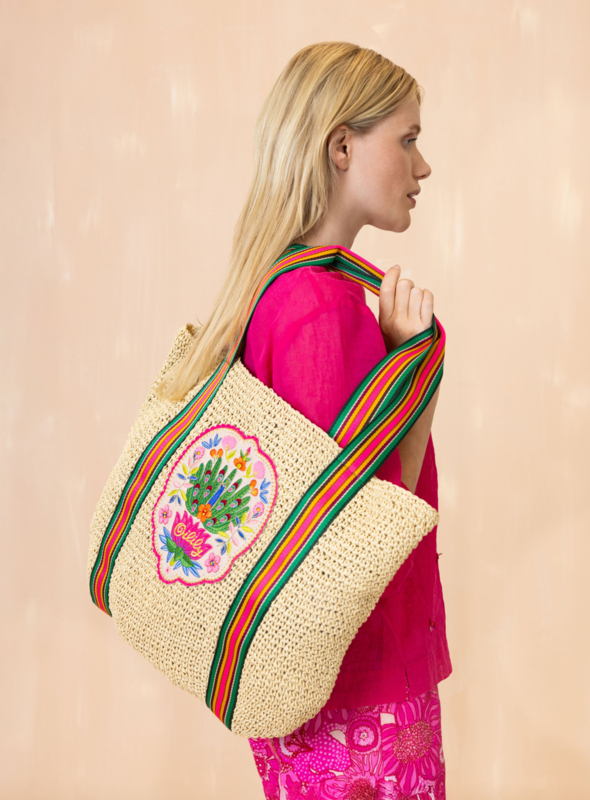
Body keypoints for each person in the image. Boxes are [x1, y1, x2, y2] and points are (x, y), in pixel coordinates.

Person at [158, 41, 451, 800]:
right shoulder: (321, 308)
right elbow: (355, 534)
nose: (422, 167)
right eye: (408, 140)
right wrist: (412, 376)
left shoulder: (281, 292)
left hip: (315, 690)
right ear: (342, 147)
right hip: (360, 688)